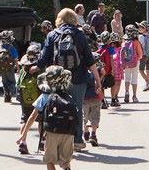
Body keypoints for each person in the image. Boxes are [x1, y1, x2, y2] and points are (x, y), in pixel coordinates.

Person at [35, 8, 98, 150]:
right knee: (77, 108)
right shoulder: (80, 35)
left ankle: (55, 138)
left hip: (57, 78)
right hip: (78, 78)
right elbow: (89, 59)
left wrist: (34, 67)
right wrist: (97, 80)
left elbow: (44, 58)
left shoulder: (52, 35)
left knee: (55, 106)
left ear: (59, 20)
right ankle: (77, 140)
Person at [16, 65, 79, 170]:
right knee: (65, 159)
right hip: (68, 131)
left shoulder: (45, 96)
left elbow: (33, 116)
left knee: (50, 160)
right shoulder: (68, 96)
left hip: (51, 132)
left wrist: (23, 135)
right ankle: (67, 169)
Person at [15, 45, 42, 154]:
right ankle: (42, 142)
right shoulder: (39, 65)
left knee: (24, 119)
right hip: (37, 96)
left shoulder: (23, 64)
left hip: (24, 96)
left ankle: (23, 142)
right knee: (41, 120)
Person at [83, 56, 103, 148]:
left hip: (84, 99)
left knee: (84, 116)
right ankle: (93, 134)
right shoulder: (96, 73)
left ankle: (86, 130)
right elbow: (103, 73)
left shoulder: (82, 74)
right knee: (95, 117)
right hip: (95, 98)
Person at [119, 24, 143, 103]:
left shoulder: (124, 41)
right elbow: (140, 54)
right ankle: (134, 96)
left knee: (127, 77)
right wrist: (137, 58)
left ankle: (126, 92)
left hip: (126, 62)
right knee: (134, 78)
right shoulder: (136, 42)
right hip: (135, 62)